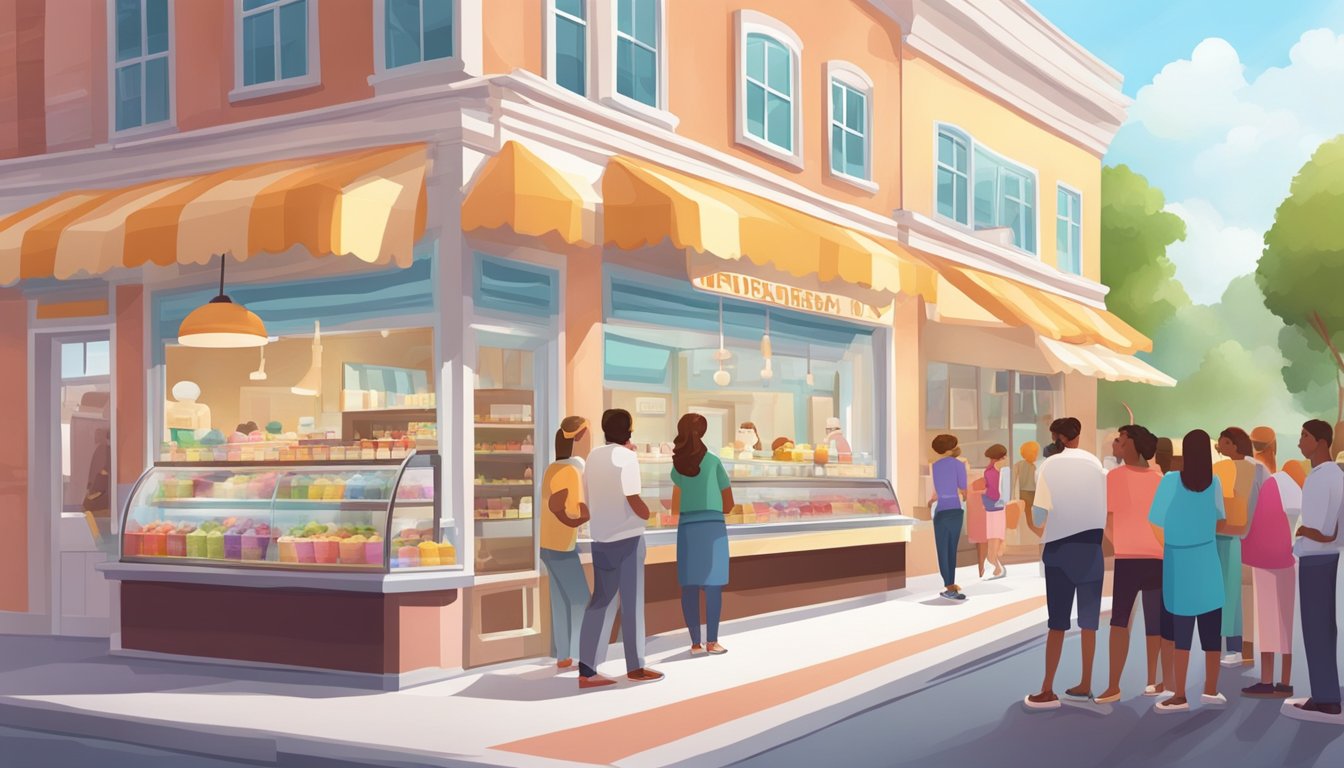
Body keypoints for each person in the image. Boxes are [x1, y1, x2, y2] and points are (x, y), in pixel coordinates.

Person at [1023, 417, 1106, 710]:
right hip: (1091, 551)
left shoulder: (1048, 466)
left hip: (1059, 552)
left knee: (1057, 624)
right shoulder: (1096, 464)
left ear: (1056, 437)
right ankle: (1085, 683)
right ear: (1078, 436)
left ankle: (1047, 688)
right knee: (1089, 624)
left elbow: (1038, 518)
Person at [577, 409, 662, 689]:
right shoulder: (627, 457)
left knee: (600, 600)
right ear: (628, 430)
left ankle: (587, 669)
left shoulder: (593, 456)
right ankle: (635, 666)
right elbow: (632, 496)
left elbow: (590, 494)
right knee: (632, 602)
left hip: (601, 537)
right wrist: (647, 513)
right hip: (627, 537)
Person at [1150, 430, 1227, 713]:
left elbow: (1155, 520)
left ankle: (1180, 693)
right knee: (1211, 628)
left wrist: (1170, 544)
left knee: (1181, 629)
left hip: (1178, 561)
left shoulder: (1170, 481)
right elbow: (1220, 520)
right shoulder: (1215, 483)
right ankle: (1211, 689)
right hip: (1207, 559)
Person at [1097, 424, 1167, 703]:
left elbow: (1108, 520)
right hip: (1157, 556)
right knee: (1155, 622)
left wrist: (1122, 542)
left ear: (1133, 445)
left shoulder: (1115, 477)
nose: (1116, 445)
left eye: (1120, 441)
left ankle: (1114, 684)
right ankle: (1156, 680)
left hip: (1128, 558)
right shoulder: (1160, 478)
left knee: (1120, 621)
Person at [1284, 419, 1344, 722]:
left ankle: (1326, 698)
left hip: (1316, 559)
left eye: (1304, 436)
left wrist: (1302, 529)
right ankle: (1326, 692)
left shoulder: (1321, 477)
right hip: (1328, 559)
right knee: (1323, 628)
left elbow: (1324, 531)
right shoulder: (1336, 475)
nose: (1300, 442)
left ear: (1321, 441)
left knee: (1316, 628)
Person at [670, 413, 733, 656]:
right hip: (713, 528)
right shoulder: (714, 461)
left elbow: (676, 505)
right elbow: (728, 503)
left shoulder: (678, 465)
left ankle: (695, 643)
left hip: (687, 527)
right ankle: (712, 642)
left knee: (689, 585)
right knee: (713, 585)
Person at [1240, 462, 1301, 699]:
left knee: (1267, 622)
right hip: (1290, 560)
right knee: (1286, 623)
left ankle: (1267, 680)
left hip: (1266, 562)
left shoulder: (1269, 486)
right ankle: (1285, 681)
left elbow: (1259, 523)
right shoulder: (1296, 489)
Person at [541, 417, 593, 670]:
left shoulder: (553, 467)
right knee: (581, 599)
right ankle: (581, 655)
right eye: (588, 436)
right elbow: (563, 506)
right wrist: (584, 515)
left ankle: (564, 656)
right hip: (562, 545)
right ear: (579, 440)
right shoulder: (571, 471)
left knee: (560, 600)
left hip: (547, 544)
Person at [1213, 427, 1268, 668]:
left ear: (1234, 445)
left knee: (1229, 593)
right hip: (1234, 535)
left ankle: (1234, 647)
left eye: (1224, 443)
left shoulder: (1249, 468)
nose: (1219, 447)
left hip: (1239, 536)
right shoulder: (1241, 468)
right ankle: (1231, 646)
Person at [928, 434, 968, 601]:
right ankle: (951, 585)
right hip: (956, 510)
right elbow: (964, 487)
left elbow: (938, 489)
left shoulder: (935, 466)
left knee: (942, 549)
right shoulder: (959, 464)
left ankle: (949, 584)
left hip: (941, 510)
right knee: (952, 548)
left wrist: (933, 500)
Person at [983, 444, 1008, 580]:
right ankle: (993, 565)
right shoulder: (999, 471)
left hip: (991, 506)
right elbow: (997, 492)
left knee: (993, 534)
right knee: (995, 535)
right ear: (1001, 457)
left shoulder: (989, 470)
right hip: (997, 506)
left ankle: (994, 565)